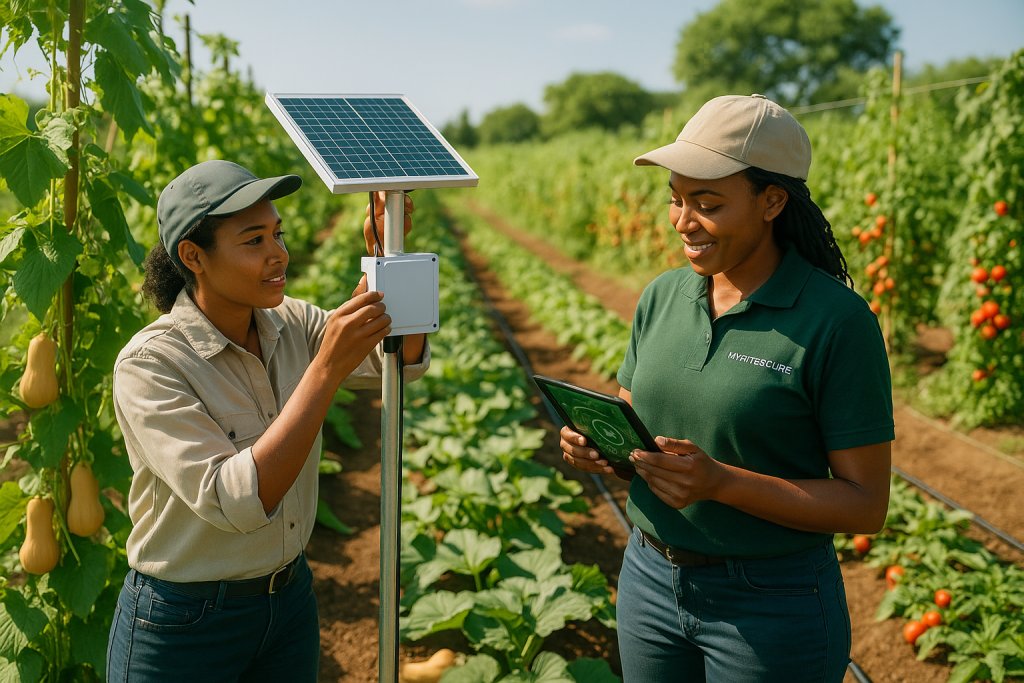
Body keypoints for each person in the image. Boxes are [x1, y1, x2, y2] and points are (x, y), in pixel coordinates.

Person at [559, 94, 894, 682]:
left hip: (770, 604)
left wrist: (720, 482)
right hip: (649, 580)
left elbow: (866, 504)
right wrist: (607, 448)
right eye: (676, 199)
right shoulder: (662, 297)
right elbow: (637, 420)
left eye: (707, 203)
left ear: (771, 201)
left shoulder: (835, 321)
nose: (683, 221)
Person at [105, 160, 429, 682]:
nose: (278, 253)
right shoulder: (152, 364)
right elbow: (236, 500)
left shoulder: (290, 322)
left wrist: (384, 257)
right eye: (253, 240)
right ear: (194, 257)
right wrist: (323, 371)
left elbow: (396, 357)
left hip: (288, 603)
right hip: (185, 623)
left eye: (277, 233)